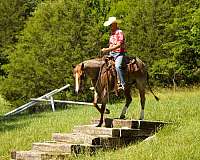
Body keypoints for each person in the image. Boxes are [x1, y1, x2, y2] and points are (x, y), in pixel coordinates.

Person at [101, 17, 127, 90]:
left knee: (118, 66)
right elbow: (111, 44)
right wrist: (108, 50)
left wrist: (107, 49)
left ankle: (122, 83)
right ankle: (102, 82)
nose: (110, 27)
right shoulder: (112, 33)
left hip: (119, 53)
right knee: (102, 64)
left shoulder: (119, 32)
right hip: (111, 53)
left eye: (111, 25)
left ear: (115, 24)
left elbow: (119, 45)